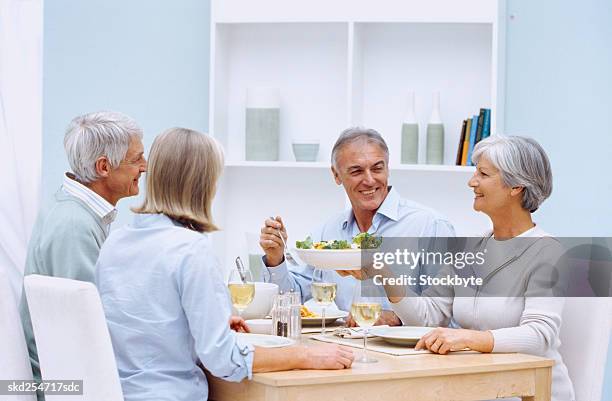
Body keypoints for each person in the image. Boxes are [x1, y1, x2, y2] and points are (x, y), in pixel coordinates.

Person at [95, 128, 354, 401]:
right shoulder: (191, 249)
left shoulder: (116, 242)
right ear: (202, 184)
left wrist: (207, 325)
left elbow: (142, 326)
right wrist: (304, 354)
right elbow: (224, 360)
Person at [379, 135, 574, 401]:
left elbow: (539, 336)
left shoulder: (547, 252)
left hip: (530, 392)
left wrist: (468, 339)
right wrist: (383, 273)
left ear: (516, 186)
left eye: (483, 174)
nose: (472, 182)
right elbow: (428, 317)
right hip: (480, 388)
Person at [259, 127, 455, 325]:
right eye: (356, 171)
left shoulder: (432, 226)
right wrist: (276, 258)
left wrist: (397, 319)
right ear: (336, 175)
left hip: (411, 355)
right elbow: (293, 298)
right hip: (344, 348)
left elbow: (441, 318)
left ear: (387, 168)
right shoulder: (329, 231)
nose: (369, 180)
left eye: (377, 168)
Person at [20, 111, 147, 399]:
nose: (145, 166)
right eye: (136, 159)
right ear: (104, 166)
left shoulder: (74, 209)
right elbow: (90, 328)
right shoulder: (74, 225)